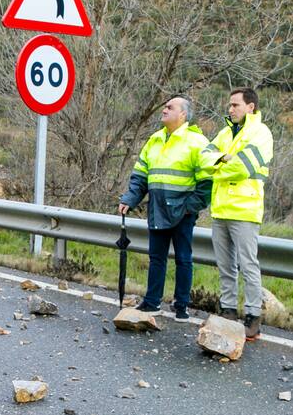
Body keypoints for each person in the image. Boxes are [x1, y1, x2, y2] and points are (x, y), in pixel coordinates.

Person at [117, 96, 213, 320]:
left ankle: (181, 306)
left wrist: (190, 207)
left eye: (170, 107)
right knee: (156, 257)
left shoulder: (197, 142)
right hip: (158, 208)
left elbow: (207, 182)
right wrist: (129, 199)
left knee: (183, 258)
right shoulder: (155, 140)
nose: (164, 110)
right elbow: (140, 176)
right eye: (164, 106)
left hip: (183, 210)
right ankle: (152, 303)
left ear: (183, 115)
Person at [201, 87, 273, 340]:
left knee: (248, 265)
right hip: (220, 209)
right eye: (230, 105)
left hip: (245, 210)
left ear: (250, 107)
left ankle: (253, 317)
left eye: (235, 105)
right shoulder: (224, 132)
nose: (230, 109)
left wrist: (219, 164)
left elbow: (243, 167)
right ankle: (228, 311)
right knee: (225, 266)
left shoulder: (261, 133)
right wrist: (225, 158)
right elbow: (203, 159)